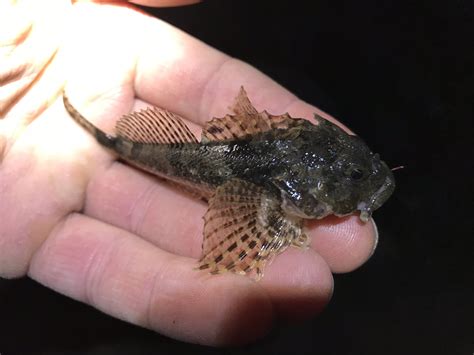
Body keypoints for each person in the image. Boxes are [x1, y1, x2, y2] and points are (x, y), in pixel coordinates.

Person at [0, 0, 378, 346]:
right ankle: (107, 139)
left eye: (359, 173)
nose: (367, 183)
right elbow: (240, 210)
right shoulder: (276, 185)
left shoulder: (292, 166)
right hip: (186, 153)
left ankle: (106, 138)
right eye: (357, 177)